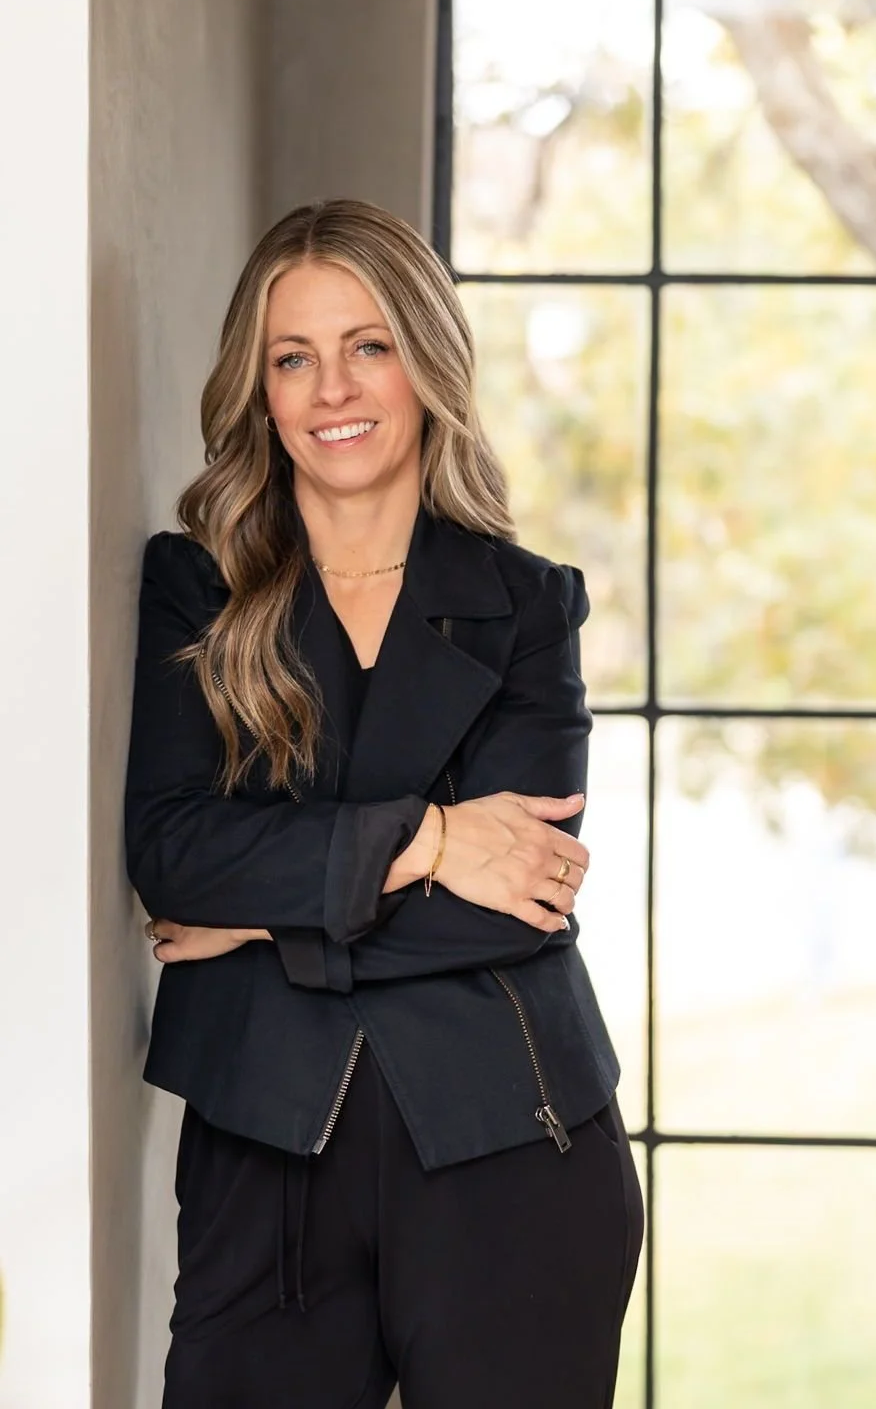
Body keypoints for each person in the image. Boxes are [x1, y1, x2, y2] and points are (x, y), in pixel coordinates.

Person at [124, 197, 644, 1409]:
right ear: (257, 388)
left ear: (426, 360)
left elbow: (517, 901)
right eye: (291, 357)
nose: (330, 389)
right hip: (267, 1150)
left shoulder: (525, 606)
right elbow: (174, 853)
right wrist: (431, 838)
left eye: (368, 345)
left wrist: (264, 915)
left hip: (513, 1144)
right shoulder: (194, 590)